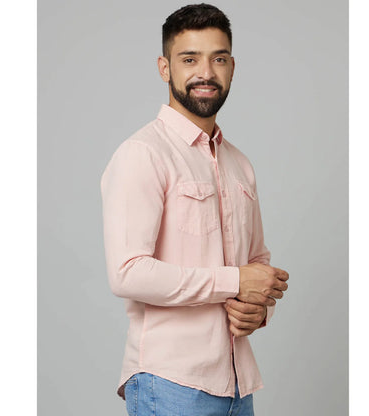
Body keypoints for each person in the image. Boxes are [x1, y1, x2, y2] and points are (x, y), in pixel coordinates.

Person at [100, 4, 289, 415]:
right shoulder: (143, 154)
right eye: (189, 59)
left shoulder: (239, 164)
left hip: (237, 385)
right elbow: (127, 271)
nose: (206, 72)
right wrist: (234, 281)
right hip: (171, 382)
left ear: (232, 68)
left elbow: (256, 264)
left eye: (218, 59)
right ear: (164, 68)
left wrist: (258, 309)